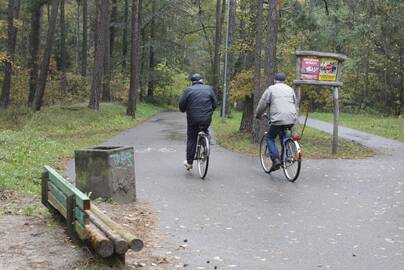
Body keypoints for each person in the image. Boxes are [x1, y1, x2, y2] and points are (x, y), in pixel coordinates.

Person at [255, 72, 297, 172]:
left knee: (270, 137)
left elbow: (262, 103)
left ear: (274, 80)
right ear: (285, 81)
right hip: (291, 119)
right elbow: (295, 103)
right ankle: (286, 157)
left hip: (278, 120)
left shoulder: (271, 89)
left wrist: (258, 115)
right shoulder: (290, 89)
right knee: (284, 137)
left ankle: (276, 160)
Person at [179, 73, 217, 170]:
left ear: (192, 82)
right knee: (205, 129)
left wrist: (184, 110)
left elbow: (182, 105)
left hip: (193, 119)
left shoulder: (188, 90)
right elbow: (215, 104)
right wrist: (210, 110)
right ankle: (207, 141)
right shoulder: (209, 89)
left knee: (192, 138)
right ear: (201, 80)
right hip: (206, 119)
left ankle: (189, 163)